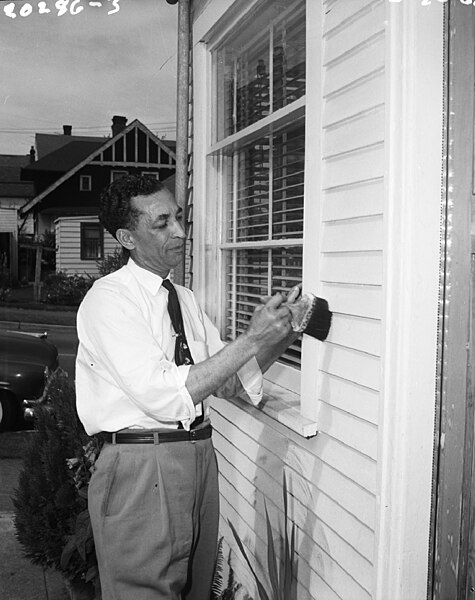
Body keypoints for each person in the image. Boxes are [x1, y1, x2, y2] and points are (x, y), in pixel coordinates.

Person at [75, 175, 300, 600]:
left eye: (178, 217)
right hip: (141, 466)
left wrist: (280, 335)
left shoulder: (184, 299)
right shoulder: (109, 300)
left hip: (197, 456)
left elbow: (229, 381)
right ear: (127, 237)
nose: (180, 231)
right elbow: (162, 395)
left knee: (194, 591)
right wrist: (251, 338)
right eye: (162, 223)